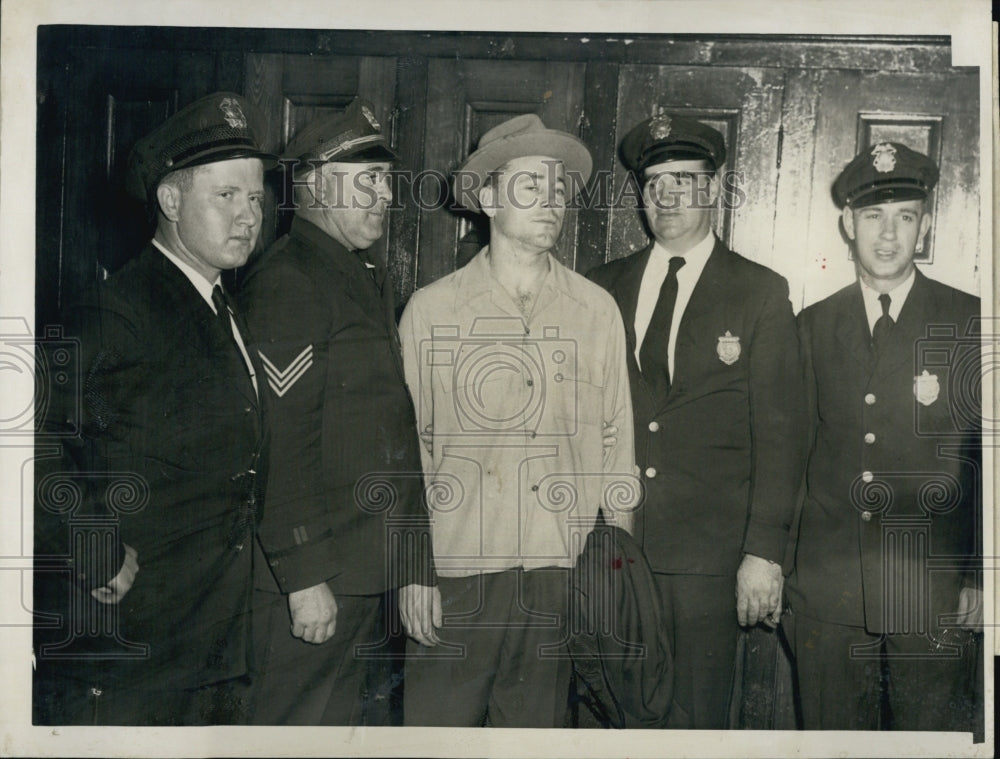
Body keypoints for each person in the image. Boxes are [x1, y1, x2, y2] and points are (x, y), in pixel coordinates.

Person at [32, 92, 273, 724]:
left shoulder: (222, 304)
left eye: (255, 197)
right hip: (134, 648)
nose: (248, 216)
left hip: (213, 640)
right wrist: (88, 541)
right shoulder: (117, 310)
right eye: (227, 196)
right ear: (170, 201)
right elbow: (27, 440)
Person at [398, 114, 637, 727]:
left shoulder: (596, 311)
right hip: (457, 579)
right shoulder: (431, 312)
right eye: (530, 186)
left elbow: (618, 451)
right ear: (486, 198)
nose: (550, 202)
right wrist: (411, 573)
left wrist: (612, 579)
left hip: (559, 577)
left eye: (558, 188)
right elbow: (406, 457)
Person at [587, 114, 805, 728]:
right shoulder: (602, 288)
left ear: (712, 189)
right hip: (616, 547)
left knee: (694, 720)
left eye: (683, 179)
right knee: (611, 714)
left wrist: (764, 553)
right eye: (654, 183)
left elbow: (782, 436)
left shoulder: (759, 292)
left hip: (710, 558)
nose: (667, 197)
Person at [239, 97, 435, 725]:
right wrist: (303, 576)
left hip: (360, 575)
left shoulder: (350, 274)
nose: (384, 195)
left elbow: (392, 437)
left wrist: (410, 566)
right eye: (368, 180)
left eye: (384, 180)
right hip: (316, 581)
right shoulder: (287, 282)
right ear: (315, 186)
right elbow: (279, 444)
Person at [786, 142, 982, 730]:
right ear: (849, 224)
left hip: (932, 588)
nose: (888, 234)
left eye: (905, 216)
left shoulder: (969, 322)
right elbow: (789, 454)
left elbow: (987, 464)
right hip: (829, 589)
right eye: (873, 216)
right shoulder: (812, 326)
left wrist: (980, 575)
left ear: (925, 226)